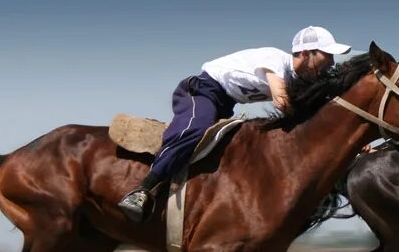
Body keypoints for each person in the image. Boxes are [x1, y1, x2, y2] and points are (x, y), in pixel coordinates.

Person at [117, 26, 351, 222]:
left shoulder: (299, 78)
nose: (331, 62)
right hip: (201, 91)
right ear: (306, 52)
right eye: (326, 55)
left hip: (225, 103)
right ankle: (142, 190)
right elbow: (282, 102)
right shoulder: (276, 60)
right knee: (196, 129)